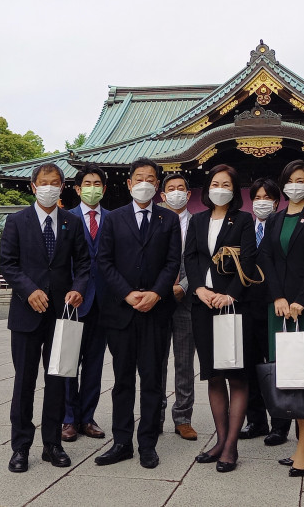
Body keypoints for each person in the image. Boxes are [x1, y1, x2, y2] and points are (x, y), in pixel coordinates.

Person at [0, 162, 90, 474]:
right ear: (33, 186)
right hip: (26, 313)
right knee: (24, 381)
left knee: (57, 380)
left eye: (55, 182)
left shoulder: (71, 222)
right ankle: (20, 446)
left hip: (61, 315)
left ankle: (52, 443)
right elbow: (8, 264)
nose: (49, 187)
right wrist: (28, 290)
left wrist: (78, 289)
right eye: (44, 182)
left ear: (62, 186)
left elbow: (84, 263)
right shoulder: (16, 221)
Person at [95, 157, 182, 469]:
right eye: (139, 178)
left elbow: (173, 262)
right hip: (121, 311)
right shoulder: (114, 219)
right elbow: (104, 261)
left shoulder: (168, 220)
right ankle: (121, 442)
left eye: (150, 178)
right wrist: (127, 293)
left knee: (152, 380)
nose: (144, 183)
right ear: (129, 184)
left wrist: (157, 293)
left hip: (156, 312)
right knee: (122, 380)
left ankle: (147, 443)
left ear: (156, 185)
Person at [257, 159, 304, 477]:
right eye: (290, 179)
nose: (295, 185)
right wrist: (278, 296)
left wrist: (299, 300)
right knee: (284, 370)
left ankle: (303, 444)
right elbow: (266, 257)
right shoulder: (273, 220)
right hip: (277, 307)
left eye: (301, 180)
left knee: (303, 371)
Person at [184, 164, 257, 473]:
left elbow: (250, 258)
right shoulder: (198, 220)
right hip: (203, 304)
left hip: (232, 305)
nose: (220, 187)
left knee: (236, 375)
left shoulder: (243, 220)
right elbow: (190, 257)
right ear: (208, 187)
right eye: (215, 182)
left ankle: (231, 447)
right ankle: (220, 438)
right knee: (213, 374)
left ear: (234, 188)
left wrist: (231, 294)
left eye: (226, 183)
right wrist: (199, 289)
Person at [240, 178, 291, 447]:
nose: (262, 201)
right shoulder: (244, 225)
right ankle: (256, 420)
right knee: (249, 366)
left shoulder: (281, 225)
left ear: (276, 201)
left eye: (268, 197)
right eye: (257, 196)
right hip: (247, 305)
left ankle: (280, 424)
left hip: (275, 306)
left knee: (277, 365)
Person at [62, 165, 110, 443]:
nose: (93, 188)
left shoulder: (115, 219)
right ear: (78, 189)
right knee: (68, 363)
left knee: (94, 364)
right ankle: (68, 419)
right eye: (87, 183)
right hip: (72, 301)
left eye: (97, 183)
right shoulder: (65, 219)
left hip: (103, 303)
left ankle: (87, 417)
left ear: (104, 188)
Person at [158, 172, 198, 441]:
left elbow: (202, 260)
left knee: (184, 362)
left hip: (188, 300)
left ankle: (182, 417)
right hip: (158, 300)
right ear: (162, 196)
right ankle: (155, 414)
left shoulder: (199, 223)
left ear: (188, 194)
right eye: (170, 189)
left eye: (180, 188)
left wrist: (183, 286)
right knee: (156, 361)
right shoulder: (155, 222)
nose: (175, 192)